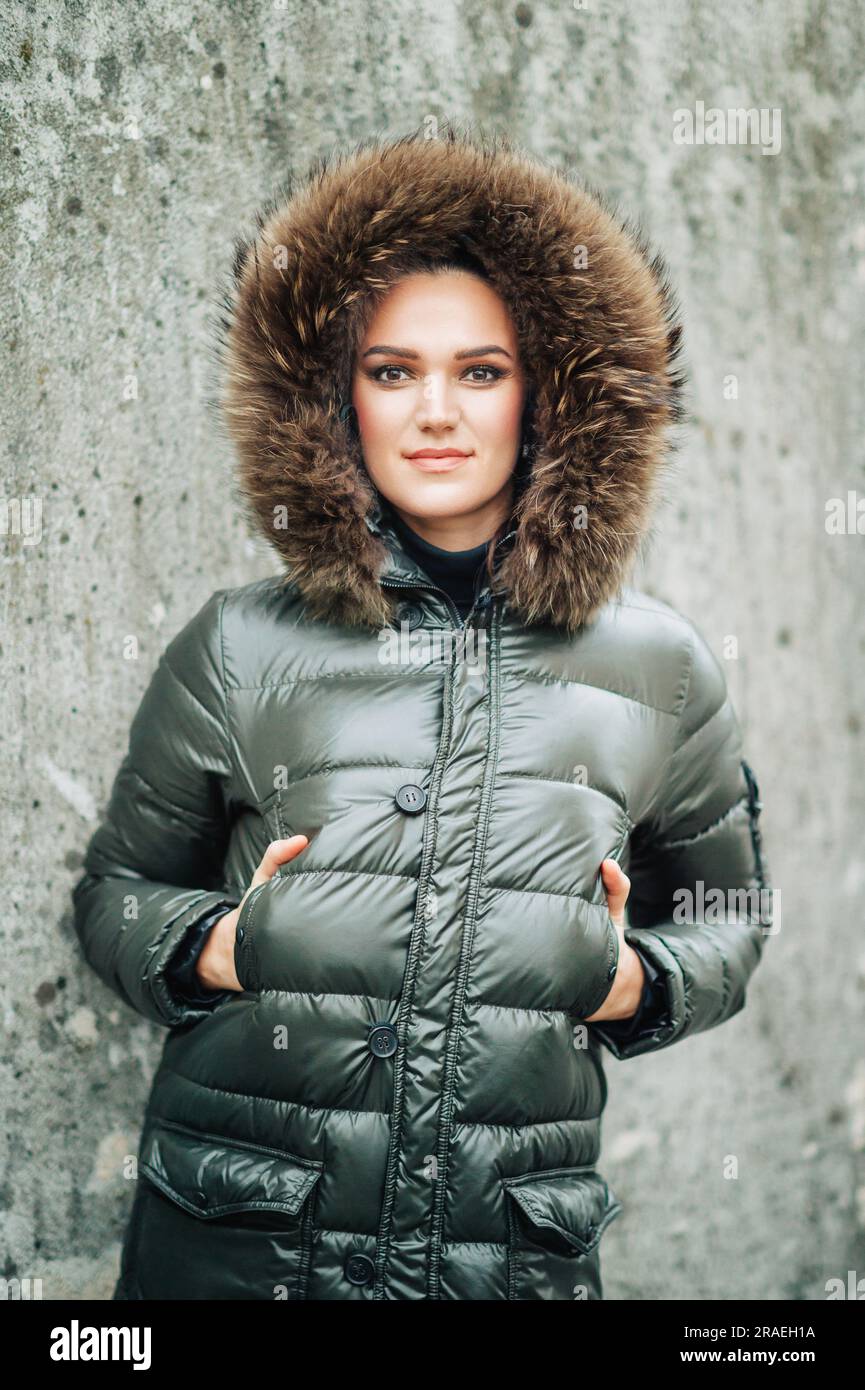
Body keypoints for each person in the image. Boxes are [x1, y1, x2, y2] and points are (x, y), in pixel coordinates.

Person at [71, 125, 771, 1302]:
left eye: (481, 371)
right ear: (333, 394)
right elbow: (114, 897)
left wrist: (631, 981)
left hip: (505, 1257)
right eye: (392, 370)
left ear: (551, 392)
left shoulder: (660, 664)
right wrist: (216, 946)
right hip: (246, 1248)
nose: (435, 411)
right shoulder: (239, 643)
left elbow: (729, 910)